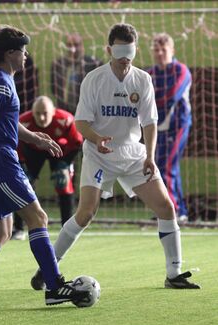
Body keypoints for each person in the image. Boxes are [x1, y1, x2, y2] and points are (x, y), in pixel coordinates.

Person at [30, 24, 200, 292]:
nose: (125, 57)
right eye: (119, 50)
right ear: (109, 50)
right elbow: (81, 123)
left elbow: (150, 123)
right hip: (99, 156)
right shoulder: (94, 79)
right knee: (86, 213)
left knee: (166, 208)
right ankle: (47, 268)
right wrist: (97, 139)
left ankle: (174, 274)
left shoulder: (143, 80)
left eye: (129, 51)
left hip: (134, 155)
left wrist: (150, 157)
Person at [0, 26, 91, 307]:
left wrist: (35, 138)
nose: (26, 56)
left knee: (0, 232)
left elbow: (3, 121)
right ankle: (54, 286)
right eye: (23, 51)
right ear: (10, 53)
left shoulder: (1, 80)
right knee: (38, 218)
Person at [12, 96, 83, 240]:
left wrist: (65, 163)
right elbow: (14, 144)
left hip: (58, 151)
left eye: (45, 113)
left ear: (53, 112)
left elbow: (77, 143)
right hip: (31, 151)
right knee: (22, 184)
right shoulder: (23, 122)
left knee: (63, 181)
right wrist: (22, 164)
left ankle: (66, 228)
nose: (42, 117)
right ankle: (18, 229)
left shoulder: (67, 120)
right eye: (37, 113)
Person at [147, 33, 192, 223]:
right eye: (156, 50)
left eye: (163, 49)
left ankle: (171, 211)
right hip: (157, 128)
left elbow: (172, 96)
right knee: (164, 166)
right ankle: (179, 210)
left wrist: (151, 103)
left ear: (172, 51)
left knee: (166, 166)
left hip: (177, 125)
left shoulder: (181, 70)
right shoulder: (149, 74)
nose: (159, 53)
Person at [51, 33, 102, 114]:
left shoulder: (94, 64)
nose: (72, 48)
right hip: (64, 111)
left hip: (86, 111)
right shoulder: (57, 64)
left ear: (82, 46)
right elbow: (54, 89)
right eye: (69, 45)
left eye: (76, 45)